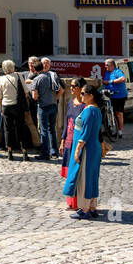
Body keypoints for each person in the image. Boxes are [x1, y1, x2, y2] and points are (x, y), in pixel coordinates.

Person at [63, 83, 104, 220]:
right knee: (92, 177)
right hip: (94, 148)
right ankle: (92, 207)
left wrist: (77, 151)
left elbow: (84, 134)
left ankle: (85, 208)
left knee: (84, 178)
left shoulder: (88, 111)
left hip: (87, 149)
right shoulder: (97, 110)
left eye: (83, 93)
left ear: (90, 96)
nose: (81, 95)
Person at [59, 76, 86, 210]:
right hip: (69, 141)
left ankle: (78, 203)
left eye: (74, 86)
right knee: (70, 173)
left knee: (77, 173)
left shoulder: (86, 107)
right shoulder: (70, 102)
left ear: (81, 88)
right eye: (71, 86)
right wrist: (63, 140)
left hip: (78, 142)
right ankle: (70, 201)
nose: (71, 88)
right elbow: (67, 121)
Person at [0, 60, 31, 162]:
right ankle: (24, 152)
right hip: (18, 106)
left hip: (6, 106)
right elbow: (26, 93)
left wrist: (1, 108)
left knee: (8, 129)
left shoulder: (1, 79)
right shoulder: (19, 77)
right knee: (21, 128)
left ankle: (10, 152)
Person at [31, 58, 62, 160]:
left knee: (44, 130)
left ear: (35, 70)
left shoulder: (37, 79)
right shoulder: (52, 76)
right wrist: (55, 98)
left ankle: (45, 153)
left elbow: (34, 96)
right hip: (53, 105)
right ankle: (55, 152)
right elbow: (62, 88)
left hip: (43, 106)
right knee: (52, 129)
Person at [103, 58, 127, 134]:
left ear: (112, 65)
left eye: (107, 65)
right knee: (108, 112)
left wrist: (111, 81)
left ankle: (120, 131)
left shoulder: (118, 71)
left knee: (118, 113)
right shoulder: (107, 72)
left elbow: (123, 79)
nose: (105, 67)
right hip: (109, 95)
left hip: (119, 95)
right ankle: (108, 128)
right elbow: (104, 81)